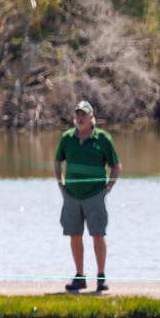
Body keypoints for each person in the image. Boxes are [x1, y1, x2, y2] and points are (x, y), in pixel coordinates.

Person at [54, 101, 121, 293]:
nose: (80, 118)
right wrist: (61, 184)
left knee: (98, 234)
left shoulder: (103, 139)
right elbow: (58, 161)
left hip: (95, 195)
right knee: (74, 235)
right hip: (72, 195)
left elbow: (116, 165)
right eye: (77, 114)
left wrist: (108, 187)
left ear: (92, 116)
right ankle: (80, 276)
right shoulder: (67, 138)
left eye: (83, 114)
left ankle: (101, 276)